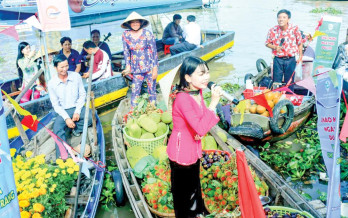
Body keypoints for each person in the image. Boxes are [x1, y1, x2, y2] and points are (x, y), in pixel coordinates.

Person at [166, 56, 222, 218]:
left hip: (194, 147)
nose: (207, 77)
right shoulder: (183, 99)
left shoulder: (198, 93)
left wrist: (211, 104)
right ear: (188, 77)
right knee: (183, 196)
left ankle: (198, 212)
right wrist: (214, 103)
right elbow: (200, 127)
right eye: (201, 73)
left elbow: (202, 120)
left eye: (207, 73)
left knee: (194, 188)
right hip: (181, 152)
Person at [48, 54, 92, 158]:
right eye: (61, 67)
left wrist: (77, 111)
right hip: (63, 111)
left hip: (77, 107)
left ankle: (76, 130)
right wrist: (67, 118)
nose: (65, 69)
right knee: (57, 128)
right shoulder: (52, 83)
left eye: (66, 66)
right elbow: (56, 105)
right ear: (55, 68)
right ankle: (63, 156)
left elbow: (82, 95)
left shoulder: (76, 76)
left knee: (90, 117)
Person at [121, 11, 159, 107]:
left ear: (141, 23)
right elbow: (126, 52)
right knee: (135, 91)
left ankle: (153, 108)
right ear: (129, 24)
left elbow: (154, 51)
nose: (135, 24)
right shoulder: (125, 34)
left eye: (137, 22)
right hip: (136, 68)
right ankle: (134, 112)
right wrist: (128, 66)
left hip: (149, 66)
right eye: (132, 22)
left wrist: (155, 69)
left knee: (152, 90)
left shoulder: (147, 33)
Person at [265, 9, 303, 91]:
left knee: (289, 82)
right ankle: (276, 96)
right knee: (276, 82)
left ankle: (288, 99)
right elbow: (267, 43)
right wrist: (275, 47)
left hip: (290, 59)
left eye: (284, 17)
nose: (281, 19)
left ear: (288, 19)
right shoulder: (272, 30)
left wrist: (300, 56)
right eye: (279, 17)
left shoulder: (294, 29)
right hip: (278, 59)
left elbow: (300, 43)